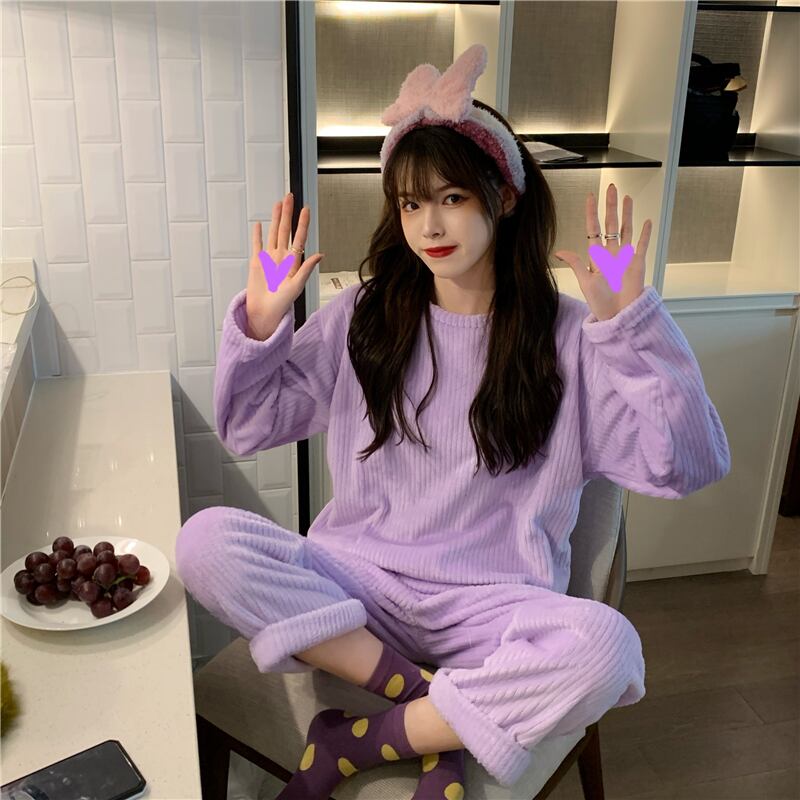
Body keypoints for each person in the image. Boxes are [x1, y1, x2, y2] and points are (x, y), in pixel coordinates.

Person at [175, 44, 731, 800]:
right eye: (410, 204)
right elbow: (248, 425)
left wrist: (633, 327)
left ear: (503, 198)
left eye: (452, 198)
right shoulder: (364, 316)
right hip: (361, 583)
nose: (428, 225)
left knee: (610, 649)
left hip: (492, 605)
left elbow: (689, 465)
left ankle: (365, 739)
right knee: (203, 541)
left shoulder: (573, 335)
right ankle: (429, 703)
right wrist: (263, 323)